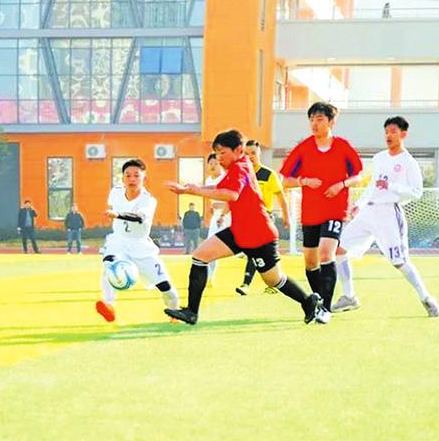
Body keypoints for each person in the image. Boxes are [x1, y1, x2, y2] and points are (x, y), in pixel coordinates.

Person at [164, 129, 327, 326]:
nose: (219, 158)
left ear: (238, 150)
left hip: (259, 235)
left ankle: (309, 301)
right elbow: (219, 188)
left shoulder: (240, 167)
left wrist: (197, 191)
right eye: (216, 153)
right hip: (240, 231)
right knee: (200, 256)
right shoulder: (237, 167)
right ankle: (191, 312)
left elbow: (231, 194)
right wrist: (188, 190)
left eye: (222, 153)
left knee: (273, 280)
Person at [332, 116, 439, 317]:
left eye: (393, 132)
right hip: (368, 212)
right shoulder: (379, 157)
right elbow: (373, 185)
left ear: (403, 134)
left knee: (399, 262)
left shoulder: (409, 162)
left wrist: (391, 186)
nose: (388, 136)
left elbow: (416, 192)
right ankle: (349, 296)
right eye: (386, 132)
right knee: (339, 249)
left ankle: (426, 298)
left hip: (389, 214)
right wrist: (359, 204)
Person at [279, 102, 363, 323]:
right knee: (310, 262)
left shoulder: (343, 146)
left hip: (335, 210)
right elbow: (285, 181)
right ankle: (317, 303)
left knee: (326, 254)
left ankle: (325, 309)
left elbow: (358, 176)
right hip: (310, 213)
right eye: (311, 120)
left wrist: (341, 185)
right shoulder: (303, 148)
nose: (314, 124)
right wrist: (304, 181)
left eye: (319, 119)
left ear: (331, 122)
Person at [95, 159, 180, 323]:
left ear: (144, 178)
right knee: (110, 264)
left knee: (166, 287)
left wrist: (118, 214)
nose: (132, 179)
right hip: (118, 241)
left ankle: (174, 311)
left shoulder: (148, 200)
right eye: (128, 175)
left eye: (136, 175)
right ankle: (108, 305)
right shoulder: (116, 192)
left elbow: (139, 217)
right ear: (122, 178)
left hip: (141, 246)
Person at [236, 140, 291, 296]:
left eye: (253, 153)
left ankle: (246, 284)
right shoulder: (242, 174)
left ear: (259, 153)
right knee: (262, 254)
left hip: (265, 218)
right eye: (246, 154)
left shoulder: (268, 174)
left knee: (256, 251)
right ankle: (275, 282)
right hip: (247, 219)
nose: (250, 156)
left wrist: (286, 217)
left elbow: (281, 198)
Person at [204, 153, 229, 286]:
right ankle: (209, 277)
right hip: (217, 217)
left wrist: (221, 206)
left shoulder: (226, 177)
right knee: (211, 247)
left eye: (216, 163)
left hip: (231, 215)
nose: (213, 166)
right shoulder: (208, 180)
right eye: (211, 164)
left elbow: (233, 198)